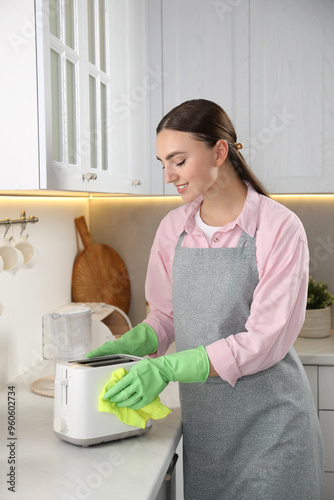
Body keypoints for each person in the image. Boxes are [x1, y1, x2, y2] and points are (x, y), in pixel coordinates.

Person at [87, 99, 324, 499]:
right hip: (208, 433)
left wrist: (166, 369)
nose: (168, 175)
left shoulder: (279, 227)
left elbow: (265, 340)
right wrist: (135, 343)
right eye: (163, 163)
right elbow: (167, 314)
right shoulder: (172, 229)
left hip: (273, 430)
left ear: (219, 151)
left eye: (178, 161)